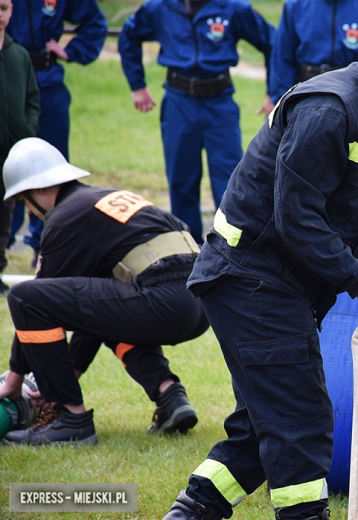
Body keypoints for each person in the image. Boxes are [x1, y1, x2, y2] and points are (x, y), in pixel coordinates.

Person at [161, 7, 358, 520]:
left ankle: (189, 513)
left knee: (262, 425)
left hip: (290, 281)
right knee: (301, 420)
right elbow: (296, 217)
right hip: (248, 274)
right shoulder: (330, 107)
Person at [0, 137, 211, 446]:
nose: (29, 211)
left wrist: (14, 381)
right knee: (110, 302)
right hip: (200, 305)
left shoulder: (64, 219)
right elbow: (91, 314)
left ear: (41, 189)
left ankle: (71, 419)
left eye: (24, 201)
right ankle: (170, 396)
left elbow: (34, 304)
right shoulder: (104, 199)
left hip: (164, 301)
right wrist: (67, 375)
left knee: (24, 296)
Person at [118, 0, 275, 244]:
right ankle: (188, 249)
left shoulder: (234, 8)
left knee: (230, 179)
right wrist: (137, 85)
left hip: (220, 102)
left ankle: (227, 249)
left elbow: (273, 43)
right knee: (181, 179)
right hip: (179, 102)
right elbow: (128, 36)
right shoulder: (159, 7)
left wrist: (272, 93)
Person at [6, 0, 107, 268]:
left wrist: (71, 51)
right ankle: (4, 243)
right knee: (9, 164)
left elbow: (95, 23)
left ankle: (48, 244)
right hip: (10, 79)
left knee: (52, 172)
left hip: (48, 82)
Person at [268, 0, 358, 104]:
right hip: (303, 93)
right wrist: (281, 101)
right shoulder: (295, 5)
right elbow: (282, 59)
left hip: (351, 97)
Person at [0, 0, 40, 292]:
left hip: (10, 154)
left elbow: (32, 100)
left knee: (5, 213)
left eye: (3, 8)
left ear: (11, 11)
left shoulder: (18, 55)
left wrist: (27, 129)